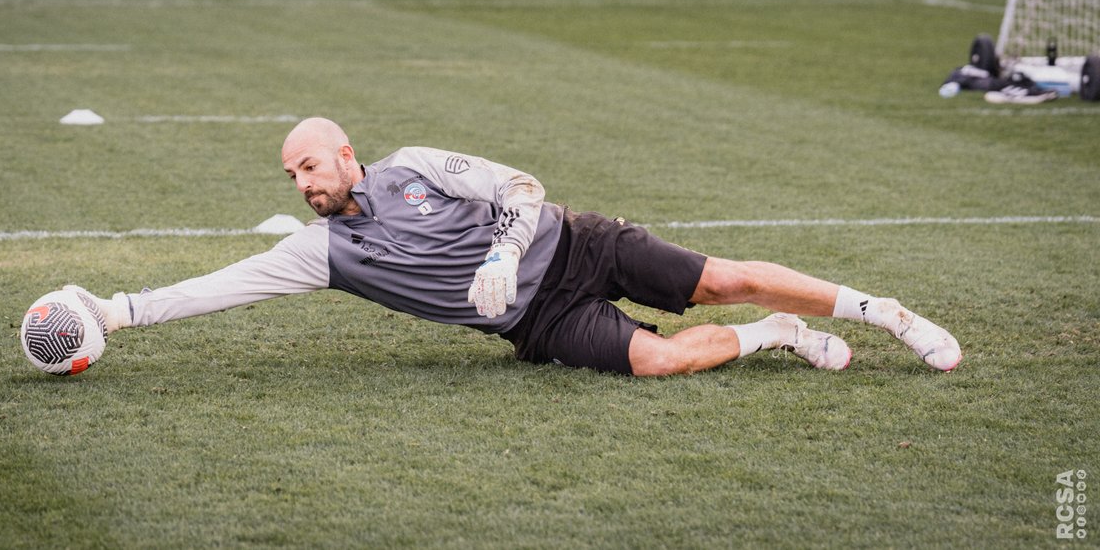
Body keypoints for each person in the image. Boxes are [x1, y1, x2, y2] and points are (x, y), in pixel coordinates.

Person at [71, 117, 962, 376]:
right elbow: (227, 284)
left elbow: (520, 186)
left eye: (311, 164)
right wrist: (120, 310)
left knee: (721, 279)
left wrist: (501, 253)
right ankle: (782, 336)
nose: (304, 183)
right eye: (292, 177)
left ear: (348, 155)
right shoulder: (320, 254)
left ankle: (882, 311)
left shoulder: (416, 163)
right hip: (534, 326)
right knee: (656, 363)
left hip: (574, 246)